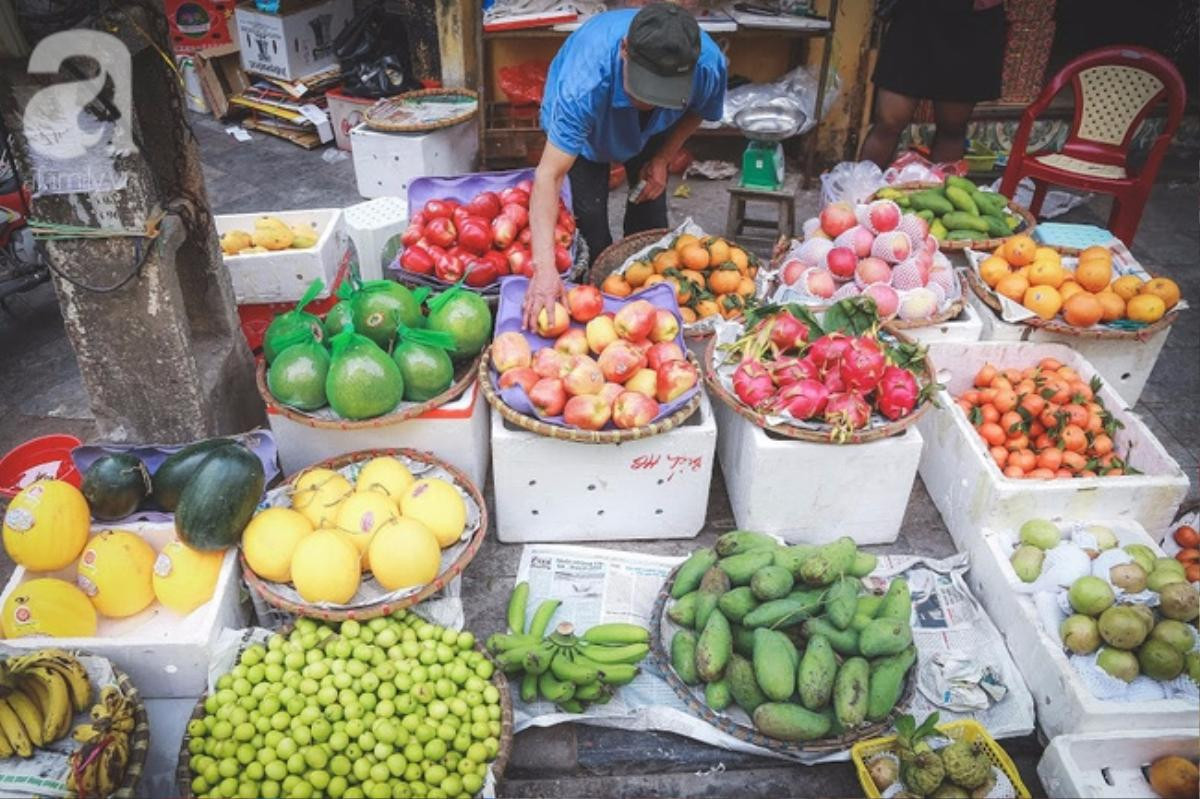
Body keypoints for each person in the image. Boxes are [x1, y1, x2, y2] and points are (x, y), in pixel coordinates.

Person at [521, 2, 728, 329]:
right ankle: (600, 316)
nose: (650, 100)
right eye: (645, 89)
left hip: (655, 130)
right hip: (590, 132)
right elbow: (549, 175)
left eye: (665, 92)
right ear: (624, 51)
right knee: (591, 233)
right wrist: (544, 270)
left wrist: (662, 157)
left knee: (650, 229)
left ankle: (642, 317)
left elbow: (698, 109)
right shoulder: (583, 83)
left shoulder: (707, 64)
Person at [859, 0, 1006, 169]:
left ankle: (940, 191)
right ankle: (861, 191)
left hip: (970, 21)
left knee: (952, 127)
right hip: (917, 15)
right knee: (888, 123)